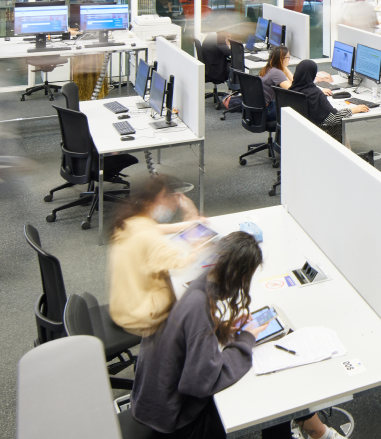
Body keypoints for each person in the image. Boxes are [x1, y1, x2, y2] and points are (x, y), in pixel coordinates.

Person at [129, 232, 344, 439]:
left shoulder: (194, 289)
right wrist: (246, 339)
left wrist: (222, 329)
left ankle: (316, 431)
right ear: (241, 277)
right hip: (177, 424)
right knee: (274, 396)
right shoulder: (197, 306)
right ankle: (310, 431)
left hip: (151, 404)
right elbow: (200, 383)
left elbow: (189, 337)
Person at [107, 178, 206, 337]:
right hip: (142, 318)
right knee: (199, 298)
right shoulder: (149, 238)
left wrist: (189, 222)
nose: (173, 205)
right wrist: (198, 249)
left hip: (123, 307)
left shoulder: (130, 222)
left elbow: (154, 228)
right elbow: (181, 265)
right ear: (152, 201)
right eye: (169, 198)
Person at [288, 59, 368, 140]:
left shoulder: (291, 90)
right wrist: (352, 110)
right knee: (338, 125)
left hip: (298, 132)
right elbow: (333, 119)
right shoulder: (315, 94)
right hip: (318, 134)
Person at [259, 46, 294, 111]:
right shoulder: (277, 72)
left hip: (260, 107)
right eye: (288, 57)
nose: (290, 59)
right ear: (282, 59)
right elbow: (292, 89)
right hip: (268, 109)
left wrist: (283, 66)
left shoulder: (268, 68)